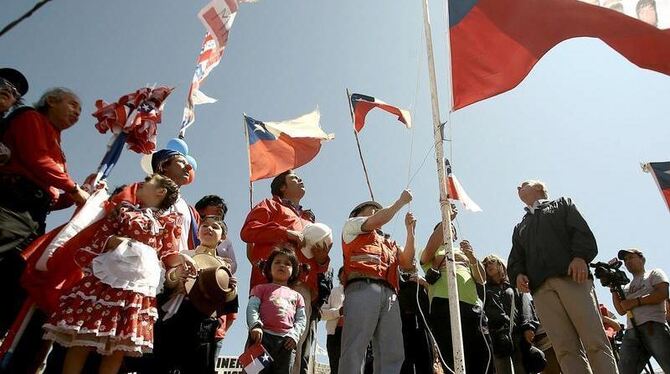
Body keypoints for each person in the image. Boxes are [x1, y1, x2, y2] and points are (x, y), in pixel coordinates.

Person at [42, 174, 184, 374]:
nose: (142, 182)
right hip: (106, 280)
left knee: (118, 346)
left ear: (160, 191)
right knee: (84, 335)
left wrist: (185, 262)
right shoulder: (124, 211)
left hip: (137, 287)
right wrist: (114, 241)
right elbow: (100, 237)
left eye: (149, 180)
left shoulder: (168, 222)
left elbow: (169, 253)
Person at [507, 180, 618, 373]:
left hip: (572, 278)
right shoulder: (520, 227)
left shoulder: (562, 204)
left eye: (524, 184)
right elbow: (516, 257)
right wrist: (517, 274)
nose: (518, 187)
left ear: (539, 188)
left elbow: (582, 232)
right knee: (564, 349)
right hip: (541, 291)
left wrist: (580, 256)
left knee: (594, 340)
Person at [240, 169, 330, 374]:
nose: (301, 179)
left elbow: (320, 264)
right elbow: (248, 231)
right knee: (259, 344)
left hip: (302, 288)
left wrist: (322, 259)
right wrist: (285, 232)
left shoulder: (310, 220)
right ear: (282, 187)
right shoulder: (269, 205)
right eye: (294, 178)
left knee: (294, 347)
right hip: (269, 284)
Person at [337, 190, 416, 374]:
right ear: (357, 215)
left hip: (390, 295)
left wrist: (410, 232)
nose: (375, 212)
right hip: (362, 287)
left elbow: (407, 262)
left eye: (377, 210)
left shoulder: (389, 243)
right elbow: (379, 220)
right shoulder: (351, 227)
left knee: (392, 351)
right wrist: (400, 202)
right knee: (355, 346)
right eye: (370, 210)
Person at [155, 215, 237, 374]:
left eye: (215, 227)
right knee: (164, 365)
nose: (209, 229)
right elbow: (166, 282)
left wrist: (230, 289)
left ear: (223, 238)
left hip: (204, 323)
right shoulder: (184, 253)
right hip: (176, 315)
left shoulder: (224, 265)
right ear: (198, 232)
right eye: (204, 225)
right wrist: (177, 275)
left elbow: (228, 304)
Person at [421, 222, 493, 374]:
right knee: (451, 356)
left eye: (452, 229)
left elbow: (481, 279)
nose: (450, 229)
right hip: (443, 304)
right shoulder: (432, 251)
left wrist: (472, 257)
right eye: (445, 226)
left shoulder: (463, 252)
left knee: (482, 354)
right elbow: (426, 255)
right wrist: (447, 218)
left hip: (472, 306)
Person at [246, 246, 307, 373]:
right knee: (253, 371)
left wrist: (294, 336)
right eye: (277, 262)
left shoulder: (298, 296)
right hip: (261, 339)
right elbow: (252, 308)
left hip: (285, 343)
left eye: (287, 264)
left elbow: (301, 319)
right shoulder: (260, 289)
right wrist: (255, 326)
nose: (282, 265)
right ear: (269, 267)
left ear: (294, 271)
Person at [612, 248, 670, 373]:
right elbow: (621, 310)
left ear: (642, 259)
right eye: (625, 260)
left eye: (631, 257)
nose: (628, 262)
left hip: (653, 325)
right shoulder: (625, 287)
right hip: (631, 331)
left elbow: (663, 293)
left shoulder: (654, 273)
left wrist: (636, 302)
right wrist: (613, 288)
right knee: (625, 370)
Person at [482, 254, 539, 374]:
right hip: (497, 336)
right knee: (502, 369)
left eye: (491, 262)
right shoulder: (484, 289)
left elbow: (525, 307)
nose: (488, 265)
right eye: (485, 264)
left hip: (517, 334)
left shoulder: (513, 286)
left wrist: (528, 327)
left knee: (522, 369)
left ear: (500, 265)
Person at [320, 267, 345, 373]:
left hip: (354, 335)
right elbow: (321, 313)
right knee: (336, 368)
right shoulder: (333, 292)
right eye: (344, 272)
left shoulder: (360, 295)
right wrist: (338, 312)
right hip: (335, 335)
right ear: (339, 276)